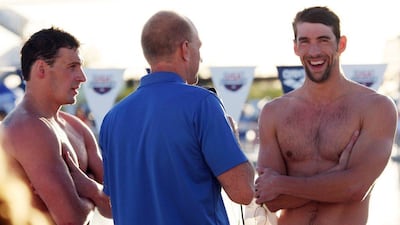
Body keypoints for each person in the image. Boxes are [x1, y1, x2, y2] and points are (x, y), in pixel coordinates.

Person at [99, 10, 255, 225]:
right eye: (199, 48)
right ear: (185, 49)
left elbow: (111, 203)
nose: (202, 57)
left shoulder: (112, 118)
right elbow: (243, 192)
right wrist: (232, 135)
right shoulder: (202, 104)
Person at [255, 6, 397, 225]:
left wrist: (282, 183)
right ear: (295, 47)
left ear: (341, 44)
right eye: (304, 41)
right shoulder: (275, 112)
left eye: (323, 40)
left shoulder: (375, 107)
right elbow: (270, 199)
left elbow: (355, 188)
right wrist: (337, 177)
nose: (314, 52)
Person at [0, 27, 112, 224]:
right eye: (72, 66)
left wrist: (88, 187)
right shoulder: (27, 129)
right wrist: (95, 195)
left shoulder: (76, 127)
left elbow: (118, 205)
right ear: (42, 69)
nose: (82, 77)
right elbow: (72, 220)